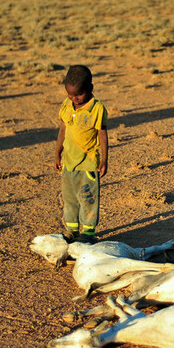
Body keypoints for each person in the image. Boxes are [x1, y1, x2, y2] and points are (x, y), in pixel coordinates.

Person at [54, 65, 108, 243]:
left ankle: (89, 233)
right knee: (69, 199)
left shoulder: (97, 108)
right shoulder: (67, 104)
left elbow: (102, 133)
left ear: (90, 89)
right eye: (70, 94)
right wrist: (57, 152)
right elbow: (63, 128)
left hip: (87, 163)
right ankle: (71, 231)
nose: (74, 99)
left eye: (78, 95)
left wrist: (104, 160)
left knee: (88, 198)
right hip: (69, 162)